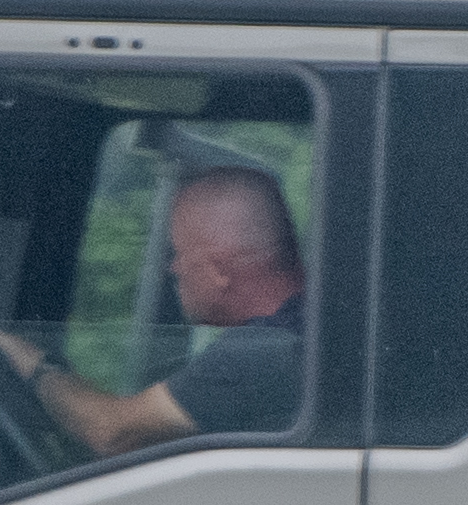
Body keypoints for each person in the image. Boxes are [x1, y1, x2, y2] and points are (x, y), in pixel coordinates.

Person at [16, 152, 307, 456]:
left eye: (179, 253)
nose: (173, 269)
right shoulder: (309, 332)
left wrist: (34, 366)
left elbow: (114, 433)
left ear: (219, 271)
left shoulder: (260, 353)